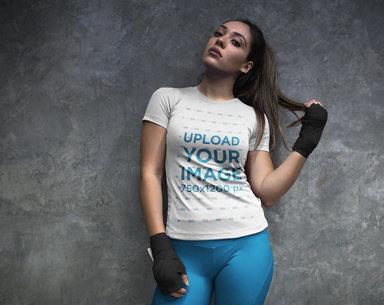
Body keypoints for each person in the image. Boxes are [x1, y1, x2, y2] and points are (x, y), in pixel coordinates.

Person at [139, 18, 328, 305]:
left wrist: (307, 142)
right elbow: (150, 173)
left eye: (235, 42)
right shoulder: (168, 99)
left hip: (247, 245)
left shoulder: (253, 117)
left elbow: (267, 191)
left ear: (246, 66)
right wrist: (160, 245)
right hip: (183, 249)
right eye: (218, 34)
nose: (221, 41)